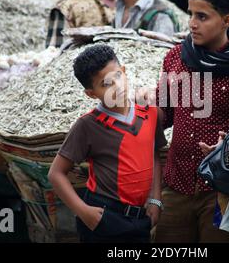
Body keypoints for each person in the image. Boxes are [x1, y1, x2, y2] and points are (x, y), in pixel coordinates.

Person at [150, 0, 229, 243]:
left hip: (222, 190)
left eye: (202, 16)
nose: (192, 23)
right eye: (191, 13)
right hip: (176, 186)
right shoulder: (175, 58)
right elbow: (164, 113)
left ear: (228, 21)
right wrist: (142, 111)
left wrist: (228, 147)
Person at [48, 44, 167, 243]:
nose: (117, 87)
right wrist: (83, 211)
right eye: (106, 84)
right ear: (91, 93)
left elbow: (153, 153)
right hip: (104, 216)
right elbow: (56, 173)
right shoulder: (87, 125)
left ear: (124, 71)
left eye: (118, 76)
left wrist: (155, 199)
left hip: (141, 217)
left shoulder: (149, 112)